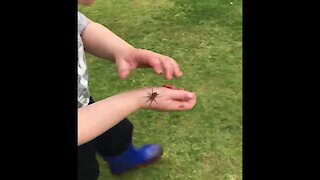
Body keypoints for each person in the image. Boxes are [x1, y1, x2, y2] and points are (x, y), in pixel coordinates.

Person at [78, 0, 196, 179]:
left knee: (116, 130)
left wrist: (124, 51)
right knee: (84, 169)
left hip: (83, 102)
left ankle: (122, 158)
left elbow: (84, 28)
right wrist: (139, 98)